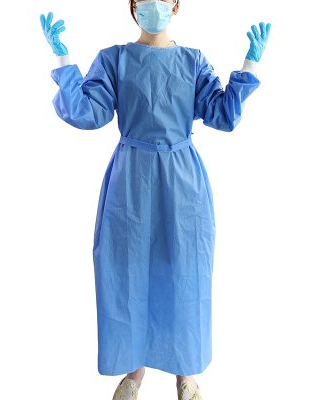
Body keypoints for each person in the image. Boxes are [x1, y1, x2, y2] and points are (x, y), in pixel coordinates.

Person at [40, 1, 271, 399]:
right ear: (133, 6)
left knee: (185, 270)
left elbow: (222, 115)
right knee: (125, 270)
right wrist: (63, 57)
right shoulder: (115, 59)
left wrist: (249, 64)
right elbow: (88, 113)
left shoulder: (192, 61)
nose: (154, 5)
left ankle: (186, 374)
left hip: (182, 182)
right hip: (130, 180)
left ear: (176, 6)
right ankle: (134, 371)